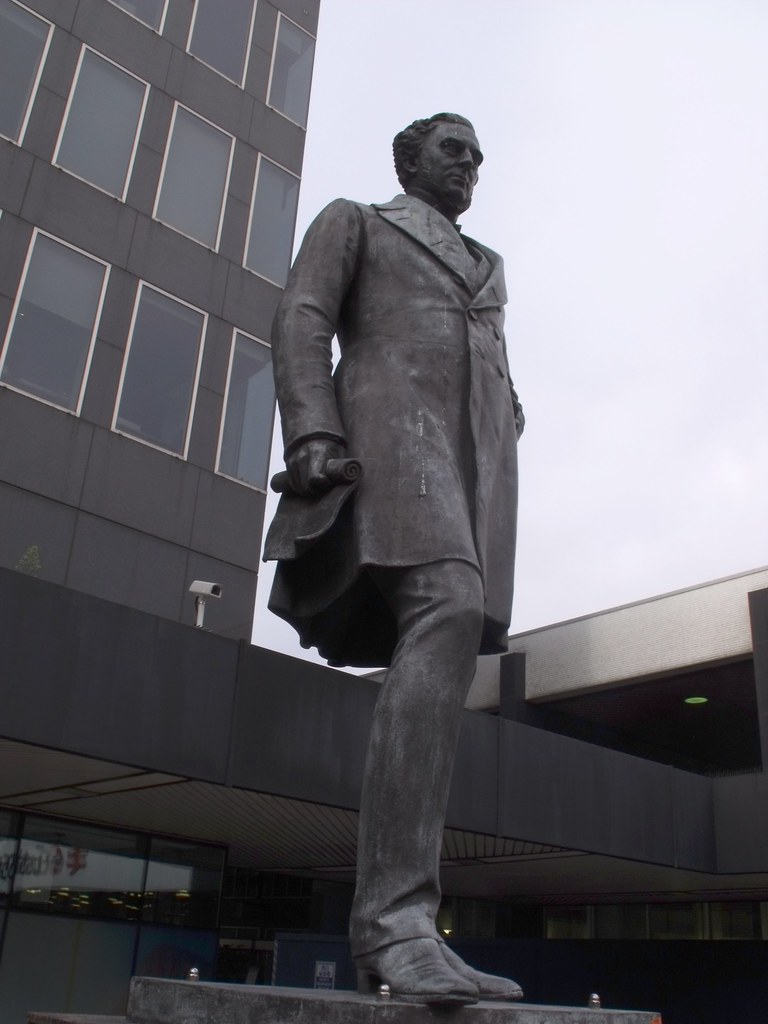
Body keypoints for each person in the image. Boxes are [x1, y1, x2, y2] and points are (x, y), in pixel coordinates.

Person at [264, 113, 524, 1005]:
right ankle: (396, 920)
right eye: (455, 149)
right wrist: (312, 430)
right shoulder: (358, 221)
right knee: (446, 606)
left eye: (479, 155)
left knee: (451, 622)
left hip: (470, 467)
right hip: (391, 440)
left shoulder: (492, 266)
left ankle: (409, 921)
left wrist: (510, 407)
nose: (472, 164)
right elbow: (300, 316)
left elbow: (488, 357)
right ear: (410, 160)